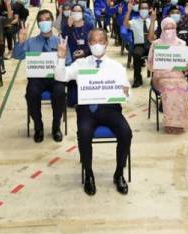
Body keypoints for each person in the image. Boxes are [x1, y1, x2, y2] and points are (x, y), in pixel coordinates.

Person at [55, 28, 132, 196]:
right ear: (89, 44)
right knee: (83, 133)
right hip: (87, 110)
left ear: (106, 43)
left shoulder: (116, 66)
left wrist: (126, 92)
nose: (98, 44)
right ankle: (88, 173)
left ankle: (119, 173)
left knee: (126, 132)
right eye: (94, 41)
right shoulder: (81, 64)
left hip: (111, 109)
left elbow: (128, 92)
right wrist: (61, 58)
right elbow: (61, 77)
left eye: (101, 41)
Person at [13, 10, 69, 143]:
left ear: (52, 21)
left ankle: (56, 127)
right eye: (42, 20)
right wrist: (21, 42)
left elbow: (68, 62)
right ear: (38, 24)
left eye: (48, 19)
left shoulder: (60, 41)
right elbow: (17, 55)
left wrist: (62, 56)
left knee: (60, 92)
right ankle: (38, 126)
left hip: (56, 78)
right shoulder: (31, 42)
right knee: (31, 93)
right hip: (36, 78)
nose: (45, 22)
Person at [147, 17, 188, 133]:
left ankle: (181, 122)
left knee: (182, 87)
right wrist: (158, 61)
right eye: (166, 28)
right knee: (168, 87)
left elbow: (185, 65)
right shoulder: (156, 44)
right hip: (160, 76)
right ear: (162, 29)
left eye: (172, 28)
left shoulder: (181, 43)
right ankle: (171, 123)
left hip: (177, 75)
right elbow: (150, 65)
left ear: (176, 28)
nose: (169, 30)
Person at [124, 0, 151, 88]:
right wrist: (129, 11)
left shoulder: (153, 21)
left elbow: (154, 36)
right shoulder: (135, 21)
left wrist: (154, 20)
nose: (144, 10)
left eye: (146, 8)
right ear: (139, 10)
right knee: (136, 54)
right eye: (142, 8)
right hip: (140, 45)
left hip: (151, 45)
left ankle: (156, 79)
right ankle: (137, 78)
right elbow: (125, 24)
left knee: (159, 55)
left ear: (149, 10)